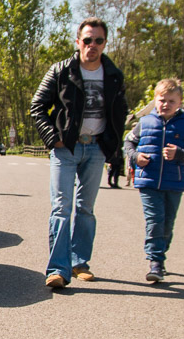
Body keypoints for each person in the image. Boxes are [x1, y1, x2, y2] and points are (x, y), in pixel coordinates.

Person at [30, 17, 128, 289]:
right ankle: (58, 270)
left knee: (86, 208)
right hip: (66, 150)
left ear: (104, 44)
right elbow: (37, 107)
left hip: (96, 148)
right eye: (87, 40)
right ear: (78, 42)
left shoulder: (114, 75)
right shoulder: (61, 70)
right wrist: (53, 139)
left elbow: (120, 111)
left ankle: (79, 262)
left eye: (98, 40)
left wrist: (112, 146)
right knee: (62, 207)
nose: (92, 45)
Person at [124, 78, 184, 283]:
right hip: (148, 182)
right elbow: (128, 143)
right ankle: (155, 262)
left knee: (167, 224)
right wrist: (136, 157)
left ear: (180, 103)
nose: (166, 104)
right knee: (155, 220)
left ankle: (160, 253)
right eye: (162, 100)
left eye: (171, 101)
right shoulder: (144, 123)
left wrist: (179, 154)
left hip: (174, 183)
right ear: (155, 100)